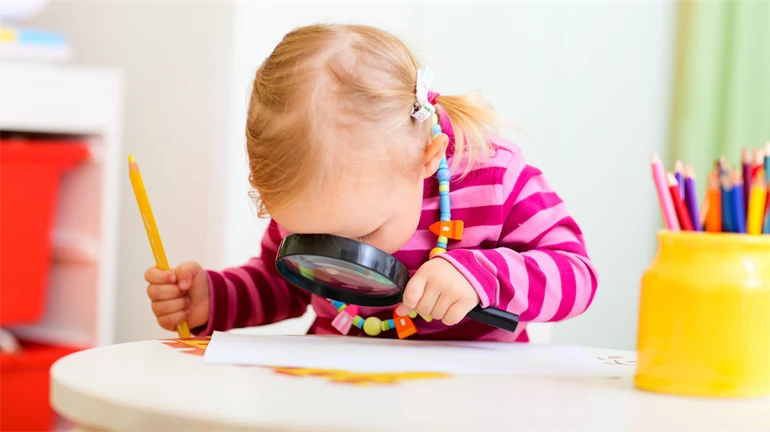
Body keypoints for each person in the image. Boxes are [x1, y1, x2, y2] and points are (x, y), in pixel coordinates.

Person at [144, 24, 598, 342]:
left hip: (469, 403)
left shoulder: (492, 176)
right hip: (337, 396)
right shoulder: (319, 196)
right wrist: (213, 298)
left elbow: (578, 276)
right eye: (313, 239)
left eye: (363, 236)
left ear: (427, 158)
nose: (338, 254)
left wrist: (485, 276)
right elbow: (284, 283)